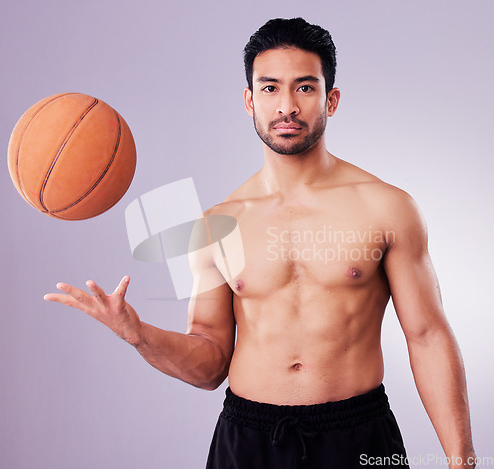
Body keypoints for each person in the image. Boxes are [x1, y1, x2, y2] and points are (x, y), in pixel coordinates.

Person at [44, 17, 476, 469]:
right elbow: (210, 361)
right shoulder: (216, 225)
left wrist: (461, 461)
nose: (286, 105)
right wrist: (139, 335)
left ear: (332, 99)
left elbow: (427, 336)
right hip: (248, 440)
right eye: (270, 88)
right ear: (249, 101)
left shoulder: (387, 208)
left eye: (305, 88)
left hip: (357, 434)